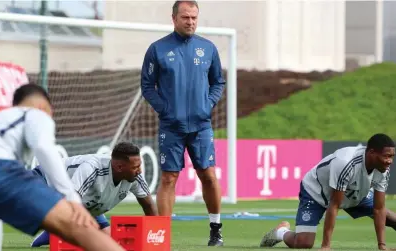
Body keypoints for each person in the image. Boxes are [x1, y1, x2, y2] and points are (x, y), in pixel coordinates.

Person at [0, 83, 125, 251]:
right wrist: (71, 198)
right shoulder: (35, 114)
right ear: (43, 106)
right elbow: (43, 148)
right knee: (79, 225)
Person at [140, 0, 225, 246]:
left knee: (208, 175)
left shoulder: (208, 48)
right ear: (174, 18)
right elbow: (147, 85)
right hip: (171, 126)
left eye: (194, 18)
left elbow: (218, 81)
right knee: (168, 178)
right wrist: (165, 109)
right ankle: (162, 234)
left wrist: (206, 105)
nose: (190, 22)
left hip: (201, 126)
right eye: (186, 17)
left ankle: (215, 229)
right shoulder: (157, 49)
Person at [259, 133, 396, 250]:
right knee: (303, 243)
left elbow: (379, 208)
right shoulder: (346, 163)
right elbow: (334, 204)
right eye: (386, 156)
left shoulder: (383, 168)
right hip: (316, 192)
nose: (389, 161)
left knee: (392, 218)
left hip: (354, 193)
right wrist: (326, 246)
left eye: (392, 157)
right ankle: (280, 232)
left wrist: (382, 245)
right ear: (371, 152)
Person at [30, 142, 158, 247]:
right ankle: (53, 228)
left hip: (84, 203)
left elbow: (149, 205)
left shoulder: (135, 177)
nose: (140, 170)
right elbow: (70, 200)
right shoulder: (92, 168)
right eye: (135, 167)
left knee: (106, 239)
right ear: (119, 167)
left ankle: (53, 232)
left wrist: (156, 237)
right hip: (45, 180)